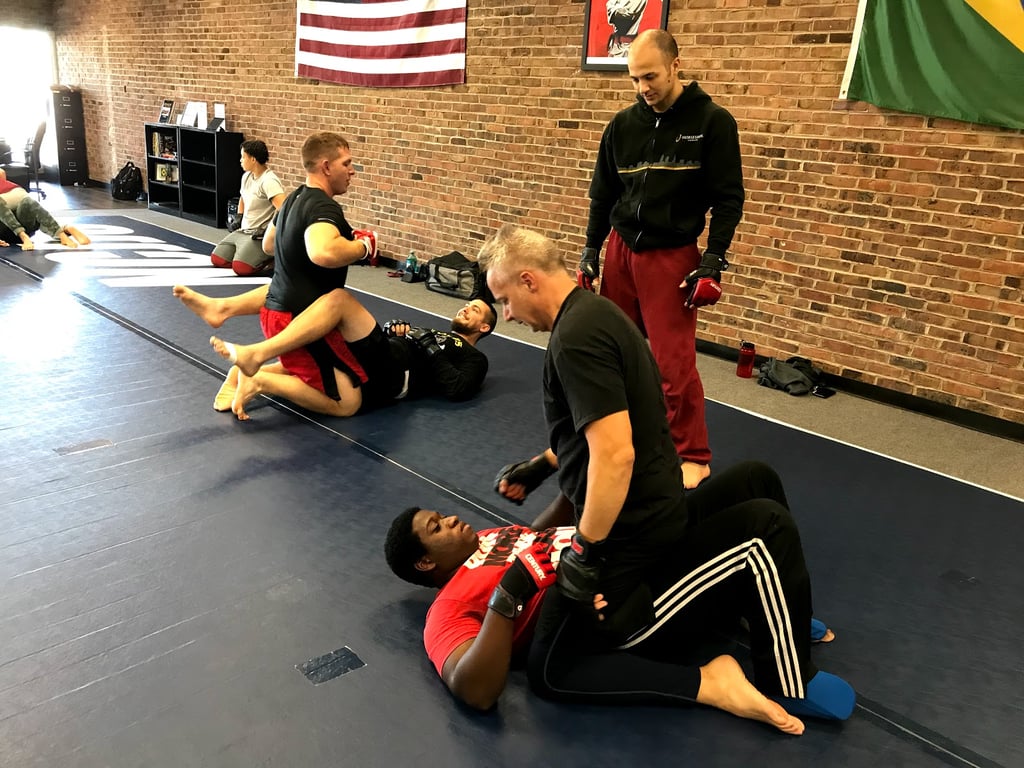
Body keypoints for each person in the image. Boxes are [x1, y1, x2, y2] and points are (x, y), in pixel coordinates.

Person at [466, 224, 852, 725]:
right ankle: (778, 606)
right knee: (755, 477)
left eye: (504, 300)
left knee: (552, 671)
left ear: (528, 280)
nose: (507, 315)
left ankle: (788, 679)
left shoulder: (575, 340)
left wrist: (585, 550)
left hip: (632, 540)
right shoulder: (599, 312)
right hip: (662, 505)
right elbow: (603, 426)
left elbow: (615, 455)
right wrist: (543, 464)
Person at [384, 462, 851, 735]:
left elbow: (539, 537)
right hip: (613, 607)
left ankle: (772, 604)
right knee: (763, 523)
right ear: (425, 563)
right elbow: (473, 689)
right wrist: (511, 593)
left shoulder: (488, 538)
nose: (451, 520)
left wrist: (571, 481)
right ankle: (788, 681)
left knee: (754, 478)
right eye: (437, 528)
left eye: (442, 515)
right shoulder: (446, 609)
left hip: (623, 552)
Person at [577, 29, 745, 490]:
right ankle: (623, 437)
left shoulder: (713, 122)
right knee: (615, 353)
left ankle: (692, 454)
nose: (642, 88)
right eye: (634, 79)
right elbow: (603, 194)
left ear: (675, 65)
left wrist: (713, 259)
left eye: (650, 76)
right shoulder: (622, 125)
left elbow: (729, 199)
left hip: (671, 256)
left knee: (673, 366)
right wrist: (591, 248)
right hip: (621, 250)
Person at [173, 282, 496, 420]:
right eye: (468, 304)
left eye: (476, 310)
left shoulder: (475, 357)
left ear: (484, 328)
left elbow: (457, 387)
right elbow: (405, 341)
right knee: (302, 294)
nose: (467, 308)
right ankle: (225, 310)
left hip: (395, 375)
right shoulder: (436, 330)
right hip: (381, 354)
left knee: (339, 301)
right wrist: (395, 328)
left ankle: (259, 370)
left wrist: (428, 346)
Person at [210, 139, 287, 276]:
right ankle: (247, 254)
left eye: (243, 157)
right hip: (243, 231)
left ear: (253, 159)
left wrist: (268, 231)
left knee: (241, 268)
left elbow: (283, 208)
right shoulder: (246, 176)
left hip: (258, 235)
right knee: (218, 259)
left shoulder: (269, 181)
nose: (240, 160)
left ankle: (272, 258)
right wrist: (239, 217)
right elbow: (243, 198)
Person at [0, 168, 91, 250]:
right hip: (19, 196)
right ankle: (63, 231)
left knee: (24, 205)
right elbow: (2, 173)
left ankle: (24, 236)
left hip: (12, 231)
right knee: (28, 203)